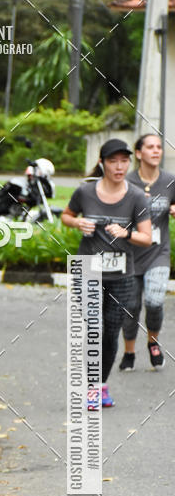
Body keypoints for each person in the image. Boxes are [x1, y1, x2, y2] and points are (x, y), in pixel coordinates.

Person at [61, 138, 151, 408]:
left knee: (111, 332)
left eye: (124, 161)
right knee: (94, 329)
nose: (119, 166)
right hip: (88, 270)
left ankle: (100, 384)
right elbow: (66, 215)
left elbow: (146, 238)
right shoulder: (85, 192)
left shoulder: (136, 196)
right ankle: (91, 388)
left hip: (122, 275)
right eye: (113, 161)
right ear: (102, 163)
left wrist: (127, 233)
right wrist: (78, 223)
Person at [119, 133, 175, 371]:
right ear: (139, 153)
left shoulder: (170, 180)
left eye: (159, 147)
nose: (156, 151)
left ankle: (153, 342)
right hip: (130, 254)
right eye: (150, 147)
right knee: (131, 306)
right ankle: (129, 352)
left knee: (154, 301)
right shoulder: (127, 182)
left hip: (158, 253)